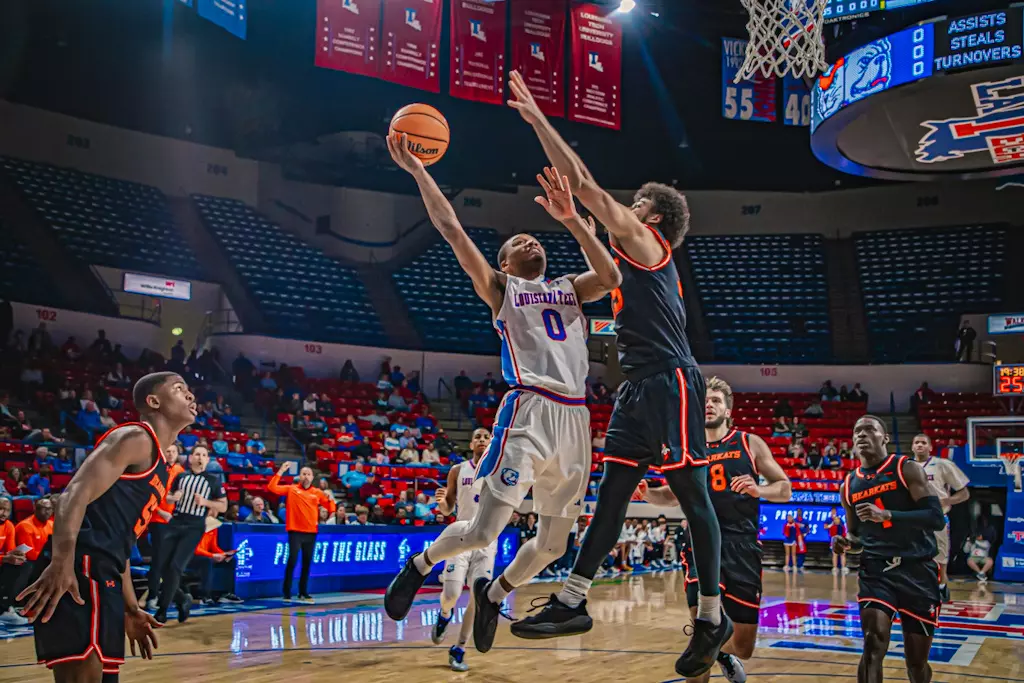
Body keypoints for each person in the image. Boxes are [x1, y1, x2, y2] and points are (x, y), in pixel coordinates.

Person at [504, 69, 730, 676]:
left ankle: (712, 616)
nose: (625, 209)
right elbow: (595, 240)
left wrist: (537, 120)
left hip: (670, 380)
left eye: (636, 206)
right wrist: (572, 221)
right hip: (636, 388)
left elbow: (586, 183)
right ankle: (573, 600)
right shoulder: (631, 260)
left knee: (691, 496)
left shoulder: (652, 244)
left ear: (653, 218)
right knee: (612, 497)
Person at [383, 130, 619, 656]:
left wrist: (573, 220)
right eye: (517, 244)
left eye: (535, 239)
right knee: (484, 531)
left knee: (555, 544)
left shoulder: (569, 287)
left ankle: (496, 592)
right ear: (506, 263)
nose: (529, 241)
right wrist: (419, 171)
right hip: (530, 409)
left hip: (577, 417)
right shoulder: (500, 288)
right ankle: (420, 565)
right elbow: (451, 228)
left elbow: (611, 274)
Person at [18, 372, 195, 683]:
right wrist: (62, 562)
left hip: (105, 573)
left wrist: (130, 607)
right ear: (153, 401)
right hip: (81, 567)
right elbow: (72, 494)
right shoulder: (135, 438)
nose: (191, 396)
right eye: (180, 389)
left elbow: (121, 543)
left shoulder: (162, 470)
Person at [637, 377, 792, 683]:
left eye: (716, 401)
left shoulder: (749, 443)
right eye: (704, 401)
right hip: (701, 542)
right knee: (702, 631)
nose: (709, 405)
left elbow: (784, 488)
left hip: (742, 545)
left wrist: (759, 490)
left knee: (744, 646)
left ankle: (721, 651)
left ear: (728, 411)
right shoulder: (688, 448)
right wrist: (648, 494)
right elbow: (671, 494)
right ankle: (708, 647)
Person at [832, 415, 945, 683]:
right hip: (877, 571)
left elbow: (936, 518)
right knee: (873, 643)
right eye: (857, 430)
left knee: (916, 663)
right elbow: (857, 537)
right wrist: (846, 543)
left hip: (918, 570)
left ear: (885, 438)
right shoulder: (849, 485)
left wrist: (888, 515)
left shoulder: (906, 468)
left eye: (869, 429)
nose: (861, 434)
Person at [430, 428, 495, 671]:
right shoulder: (458, 470)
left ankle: (459, 648)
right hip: (461, 536)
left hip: (487, 541)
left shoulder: (498, 470)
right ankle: (445, 615)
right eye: (477, 436)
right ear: (470, 443)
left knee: (478, 599)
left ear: (492, 442)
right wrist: (441, 504)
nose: (481, 440)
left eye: (486, 437)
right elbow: (448, 509)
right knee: (451, 593)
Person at [153, 445, 226, 624]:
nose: (200, 457)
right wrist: (173, 498)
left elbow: (223, 506)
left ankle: (162, 611)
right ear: (190, 458)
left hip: (194, 525)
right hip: (176, 521)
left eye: (204, 455)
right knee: (161, 566)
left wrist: (206, 502)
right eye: (197, 454)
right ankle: (182, 599)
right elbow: (169, 497)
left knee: (176, 566)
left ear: (207, 460)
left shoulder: (213, 481)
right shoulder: (181, 476)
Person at [911, 433, 969, 603]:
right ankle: (916, 588)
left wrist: (948, 500)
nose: (920, 445)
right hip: (914, 517)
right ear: (912, 447)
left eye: (923, 442)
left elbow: (964, 493)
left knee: (940, 556)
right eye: (916, 442)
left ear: (930, 447)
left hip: (937, 516)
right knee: (913, 555)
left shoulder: (942, 465)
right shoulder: (906, 467)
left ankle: (942, 585)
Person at [267, 463, 336, 603]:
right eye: (303, 474)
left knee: (307, 563)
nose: (306, 476)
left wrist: (331, 509)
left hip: (311, 532)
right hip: (295, 531)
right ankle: (286, 592)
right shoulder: (291, 489)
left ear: (312, 477)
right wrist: (281, 471)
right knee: (292, 561)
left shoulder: (317, 492)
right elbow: (272, 487)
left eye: (308, 474)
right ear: (299, 476)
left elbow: (330, 504)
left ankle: (303, 592)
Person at [144, 444, 186, 611]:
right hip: (157, 520)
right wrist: (162, 512)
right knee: (158, 561)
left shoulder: (180, 471)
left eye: (173, 451)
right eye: (167, 451)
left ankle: (178, 596)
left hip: (173, 522)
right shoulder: (156, 469)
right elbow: (149, 495)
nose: (170, 454)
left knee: (169, 563)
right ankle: (153, 596)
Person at [0, 496, 29, 626]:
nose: (3, 513)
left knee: (22, 566)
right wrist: (6, 558)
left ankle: (5, 609)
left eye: (7, 510)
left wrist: (17, 555)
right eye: (0, 509)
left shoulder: (9, 525)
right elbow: (6, 556)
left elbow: (10, 550)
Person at [825, 507, 848, 575]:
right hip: (834, 541)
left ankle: (843, 567)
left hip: (841, 541)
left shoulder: (842, 526)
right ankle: (835, 568)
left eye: (837, 519)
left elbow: (844, 534)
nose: (836, 520)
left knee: (843, 554)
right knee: (835, 555)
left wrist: (845, 543)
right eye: (835, 519)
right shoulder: (832, 526)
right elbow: (831, 533)